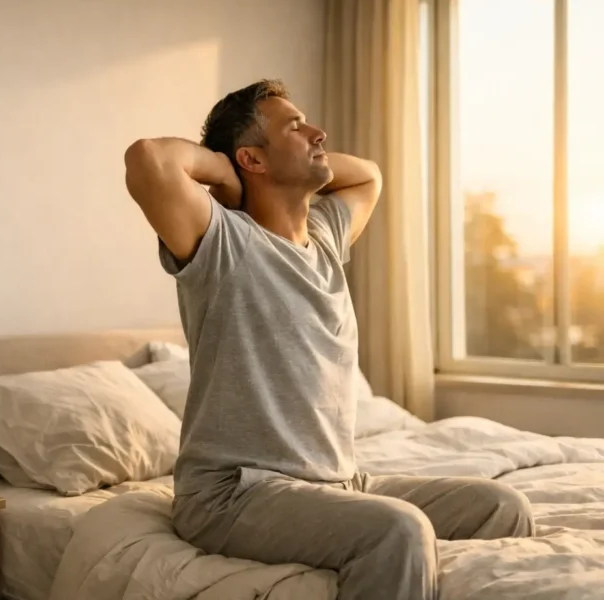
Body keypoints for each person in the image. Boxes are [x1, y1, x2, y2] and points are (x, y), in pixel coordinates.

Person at [122, 79, 534, 600]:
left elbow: (369, 177)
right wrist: (226, 174)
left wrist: (277, 159)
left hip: (339, 482)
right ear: (252, 158)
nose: (318, 133)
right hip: (236, 494)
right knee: (398, 530)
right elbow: (148, 160)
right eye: (295, 127)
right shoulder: (224, 242)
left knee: (502, 505)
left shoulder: (325, 237)